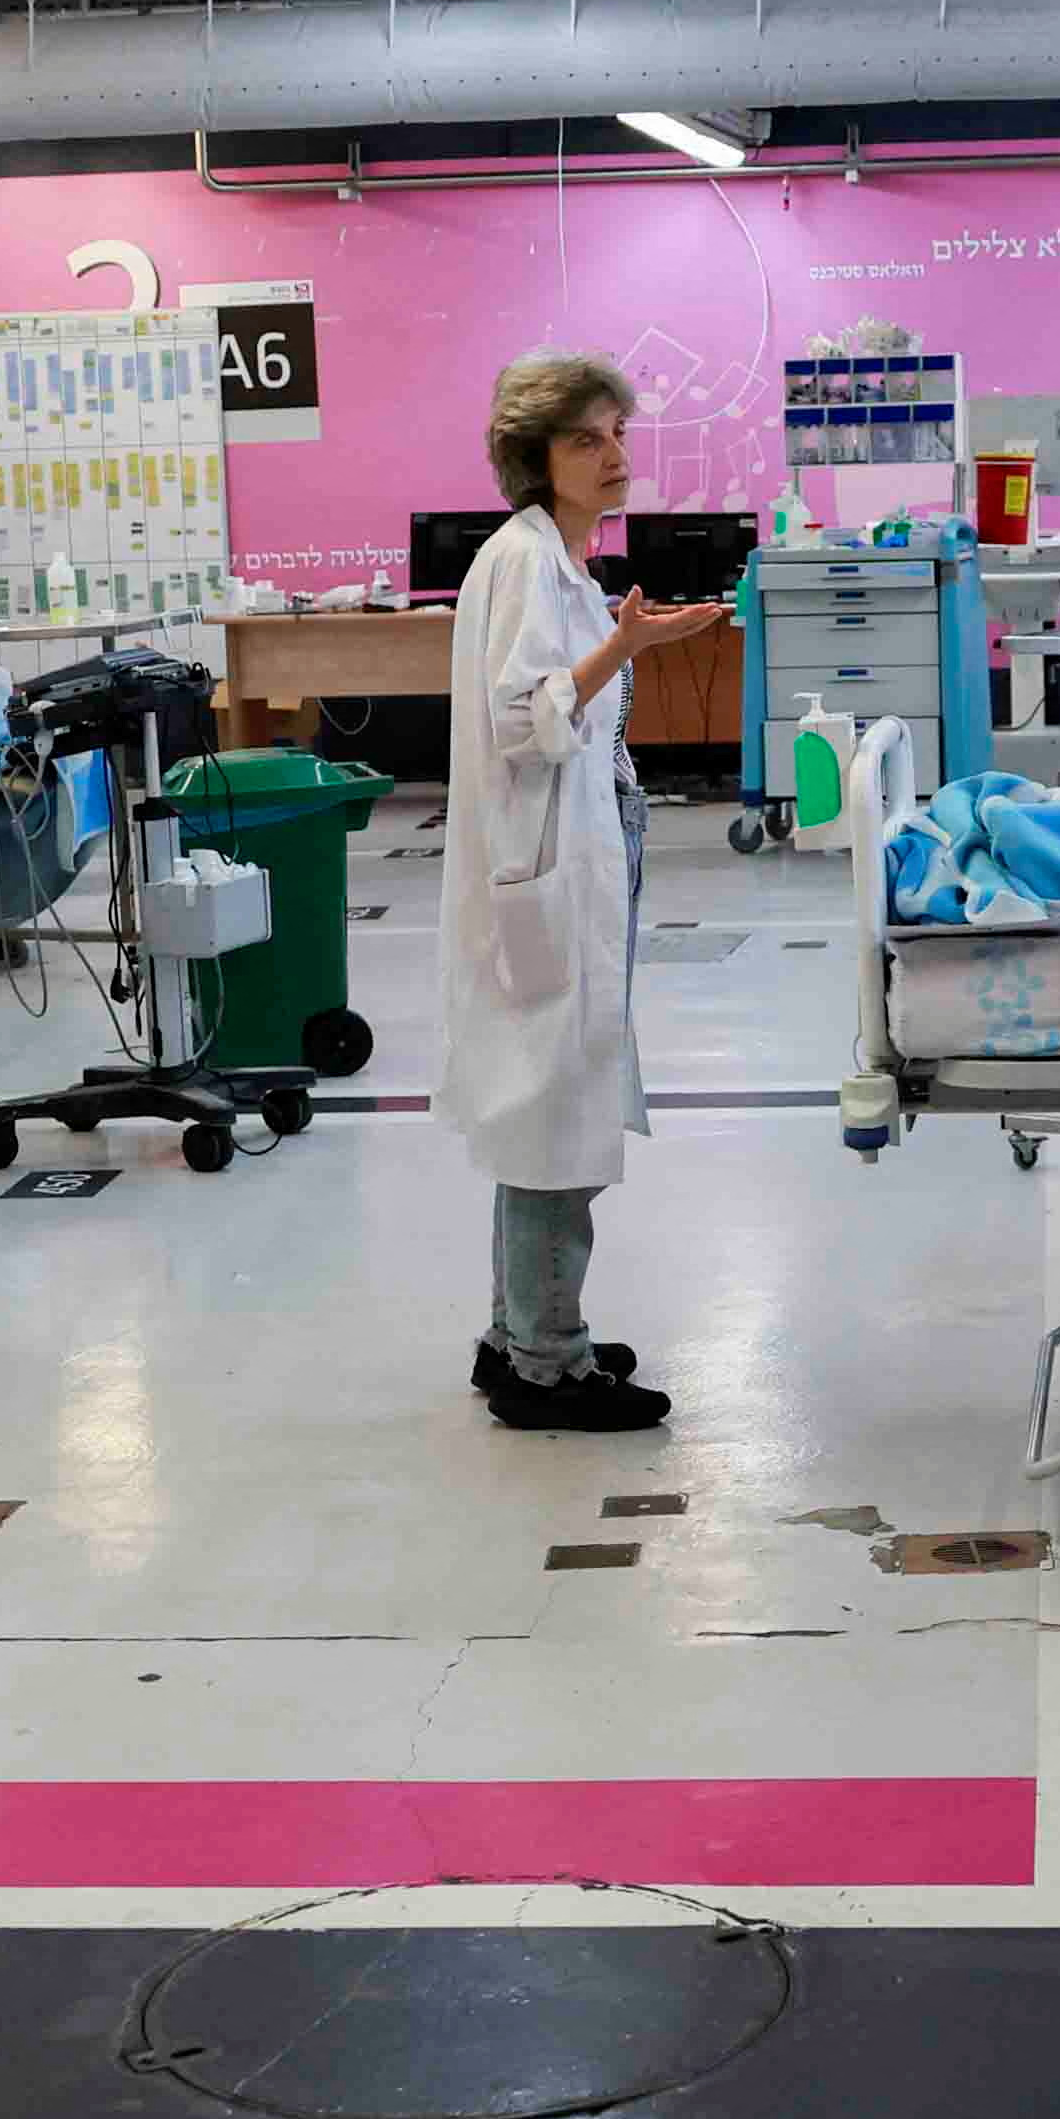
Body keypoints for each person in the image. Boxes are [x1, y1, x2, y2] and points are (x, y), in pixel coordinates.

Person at [444, 352, 729, 1435]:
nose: (614, 458)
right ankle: (547, 1366)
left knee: (543, 1110)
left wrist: (621, 639)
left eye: (618, 434)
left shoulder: (552, 559)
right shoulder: (524, 562)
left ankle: (517, 1329)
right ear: (536, 458)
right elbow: (527, 721)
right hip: (543, 876)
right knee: (551, 1123)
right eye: (585, 440)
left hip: (564, 863)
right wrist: (626, 645)